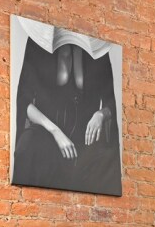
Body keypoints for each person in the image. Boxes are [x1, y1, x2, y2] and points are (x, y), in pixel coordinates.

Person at [12, 26, 121, 196]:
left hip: (86, 138)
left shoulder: (97, 51)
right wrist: (55, 131)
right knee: (28, 147)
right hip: (46, 133)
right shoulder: (38, 44)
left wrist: (100, 114)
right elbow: (24, 101)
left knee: (107, 157)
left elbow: (111, 101)